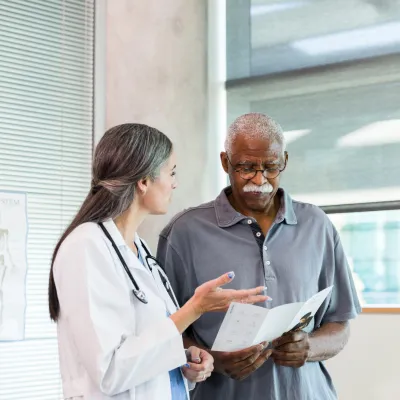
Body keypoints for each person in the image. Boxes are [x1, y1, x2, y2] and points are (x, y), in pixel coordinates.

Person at [47, 123, 268, 400]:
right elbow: (109, 371)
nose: (175, 182)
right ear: (144, 181)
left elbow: (143, 347)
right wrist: (194, 309)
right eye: (171, 172)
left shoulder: (137, 249)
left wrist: (184, 360)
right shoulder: (86, 246)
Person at [157, 113, 362, 400]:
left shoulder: (317, 225)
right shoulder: (184, 232)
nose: (259, 179)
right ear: (225, 162)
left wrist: (309, 347)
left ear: (285, 161)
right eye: (246, 167)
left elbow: (340, 323)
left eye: (271, 167)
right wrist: (213, 359)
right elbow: (163, 331)